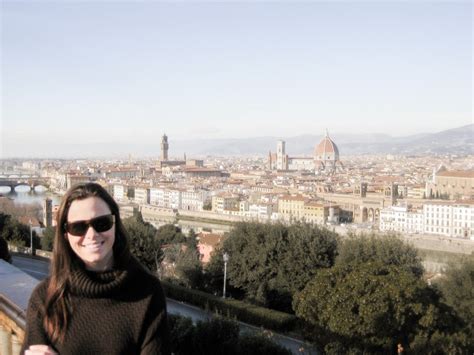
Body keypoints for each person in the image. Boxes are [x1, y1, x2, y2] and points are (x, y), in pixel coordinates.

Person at [22, 183, 169, 354]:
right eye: (78, 227)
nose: (91, 235)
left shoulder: (147, 293)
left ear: (115, 224)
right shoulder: (45, 298)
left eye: (102, 223)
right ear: (65, 234)